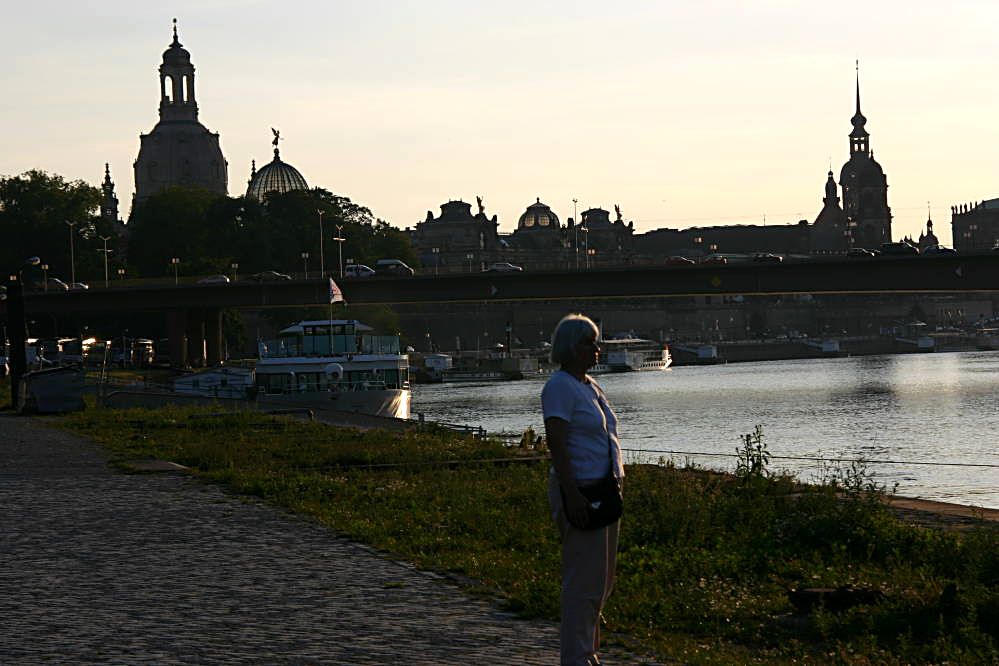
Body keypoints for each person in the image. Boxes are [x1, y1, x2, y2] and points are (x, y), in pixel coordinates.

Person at [542, 313, 624, 666]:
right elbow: (557, 442)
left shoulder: (589, 386)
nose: (597, 349)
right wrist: (571, 492)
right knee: (582, 582)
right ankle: (575, 657)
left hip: (604, 490)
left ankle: (589, 651)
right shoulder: (560, 387)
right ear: (571, 347)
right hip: (582, 490)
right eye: (589, 343)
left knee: (603, 580)